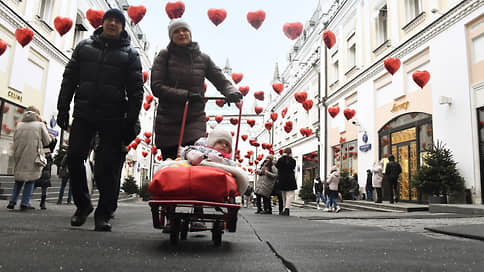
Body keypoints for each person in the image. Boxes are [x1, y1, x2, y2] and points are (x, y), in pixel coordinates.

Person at [56, 8, 144, 231]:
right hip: (84, 112)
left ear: (123, 27)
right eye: (109, 20)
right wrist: (63, 108)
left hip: (113, 117)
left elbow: (136, 91)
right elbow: (69, 79)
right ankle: (83, 204)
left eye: (117, 21)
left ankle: (103, 214)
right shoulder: (84, 47)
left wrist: (130, 120)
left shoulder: (130, 54)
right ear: (102, 23)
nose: (113, 23)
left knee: (107, 167)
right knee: (74, 156)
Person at [150, 18, 242, 160]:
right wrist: (186, 95)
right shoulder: (164, 56)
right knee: (172, 166)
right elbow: (156, 87)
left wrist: (231, 91)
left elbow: (220, 79)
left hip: (194, 119)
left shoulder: (203, 58)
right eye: (176, 31)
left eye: (184, 30)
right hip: (168, 122)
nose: (181, 33)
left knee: (195, 163)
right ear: (171, 36)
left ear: (190, 33)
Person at [7, 106, 52, 211]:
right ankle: (25, 202)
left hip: (19, 154)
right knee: (30, 179)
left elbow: (14, 139)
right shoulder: (40, 125)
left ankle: (12, 201)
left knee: (19, 179)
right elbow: (47, 141)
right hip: (33, 154)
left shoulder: (19, 125)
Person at [35, 129, 57, 210]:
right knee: (36, 183)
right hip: (41, 160)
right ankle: (41, 203)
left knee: (43, 184)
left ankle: (42, 202)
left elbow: (51, 147)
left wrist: (54, 139)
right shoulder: (40, 137)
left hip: (45, 163)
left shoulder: (47, 139)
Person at [275, 148, 297, 216]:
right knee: (289, 195)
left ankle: (284, 208)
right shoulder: (293, 160)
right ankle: (287, 209)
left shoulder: (280, 159)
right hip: (290, 178)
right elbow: (293, 167)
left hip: (282, 178)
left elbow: (277, 166)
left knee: (283, 194)